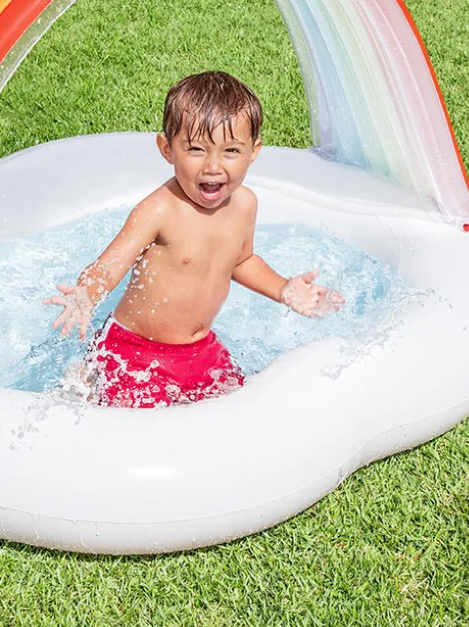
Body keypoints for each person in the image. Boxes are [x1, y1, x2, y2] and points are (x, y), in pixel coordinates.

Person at [45, 71, 344, 408]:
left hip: (200, 351)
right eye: (196, 149)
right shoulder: (159, 210)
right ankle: (84, 379)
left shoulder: (245, 204)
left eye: (231, 151)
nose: (213, 166)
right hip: (134, 350)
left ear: (254, 151)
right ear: (167, 149)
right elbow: (110, 265)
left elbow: (242, 261)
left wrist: (284, 289)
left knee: (245, 406)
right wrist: (87, 293)